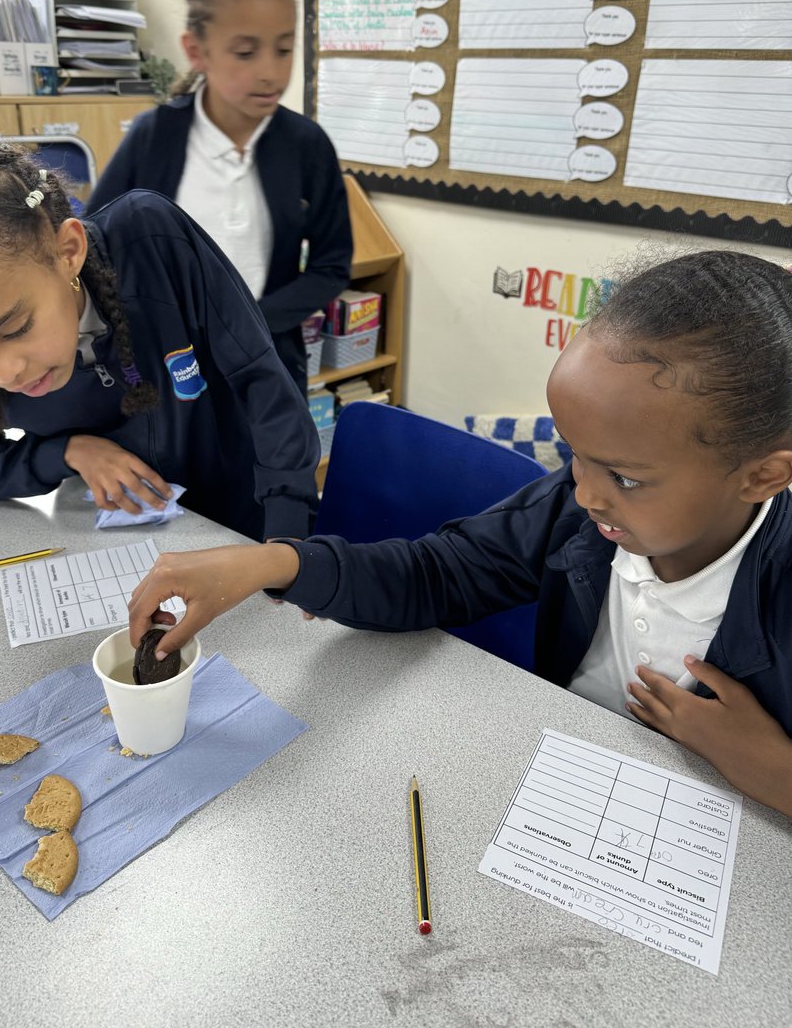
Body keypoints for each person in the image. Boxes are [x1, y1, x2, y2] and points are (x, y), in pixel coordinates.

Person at [127, 250, 792, 816]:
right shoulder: (574, 515)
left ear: (762, 476)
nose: (585, 491)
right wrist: (275, 563)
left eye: (624, 476)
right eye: (574, 456)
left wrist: (773, 770)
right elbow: (431, 574)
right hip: (574, 791)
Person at [0, 140, 320, 541]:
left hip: (242, 516)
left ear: (69, 251)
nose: (2, 372)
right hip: (119, 538)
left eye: (15, 329)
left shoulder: (151, 240)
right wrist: (66, 452)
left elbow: (262, 380)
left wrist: (286, 526)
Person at [87, 0, 352, 394]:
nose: (271, 72)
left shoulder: (308, 146)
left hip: (268, 369)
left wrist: (249, 326)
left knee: (268, 463)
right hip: (166, 369)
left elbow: (331, 266)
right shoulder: (156, 138)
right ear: (197, 50)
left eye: (284, 49)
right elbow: (93, 246)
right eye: (246, 53)